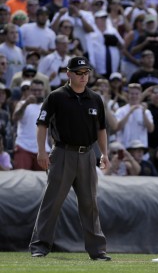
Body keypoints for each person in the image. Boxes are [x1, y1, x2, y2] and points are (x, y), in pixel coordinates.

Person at [29, 56, 111, 261]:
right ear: (69, 73)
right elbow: (42, 125)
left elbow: (102, 129)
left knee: (90, 204)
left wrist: (104, 154)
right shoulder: (56, 97)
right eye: (79, 73)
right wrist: (41, 151)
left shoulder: (95, 99)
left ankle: (97, 251)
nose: (83, 77)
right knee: (52, 201)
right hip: (62, 153)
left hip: (87, 155)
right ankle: (40, 246)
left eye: (86, 73)